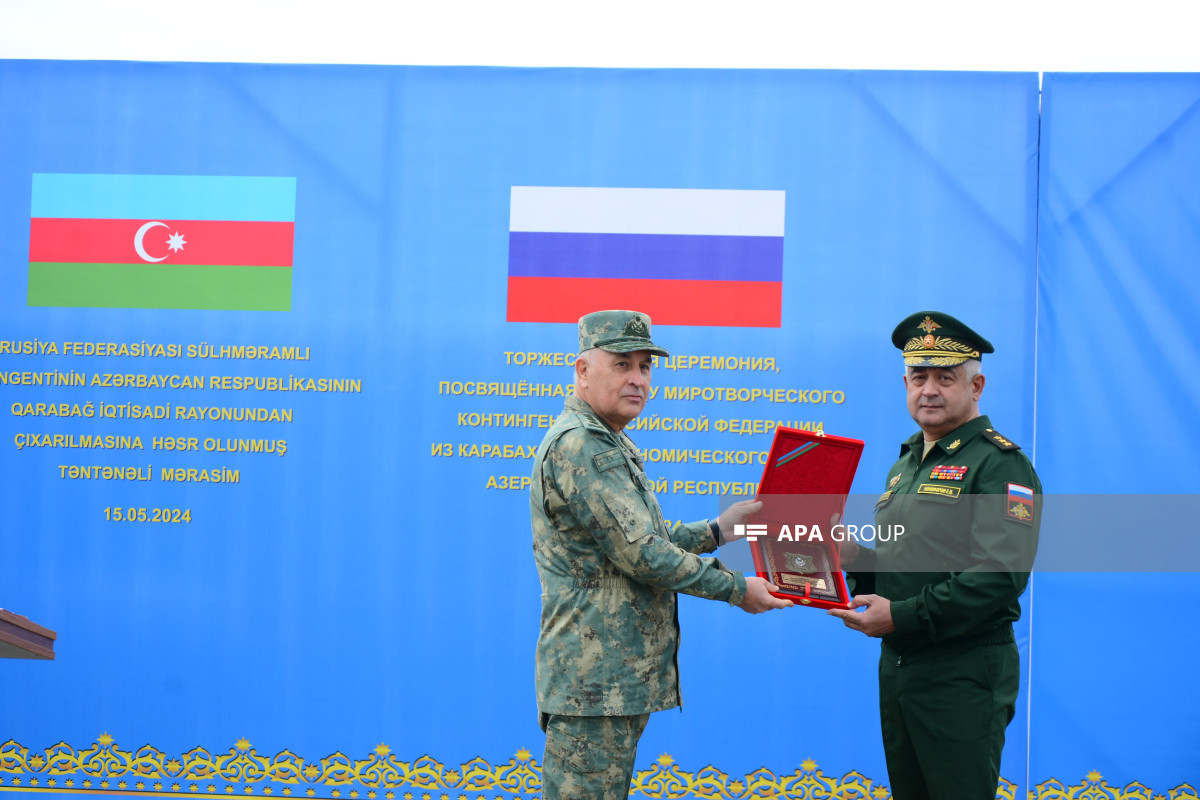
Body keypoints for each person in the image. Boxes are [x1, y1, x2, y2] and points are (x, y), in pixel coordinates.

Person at [531, 309, 791, 800]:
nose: (638, 379)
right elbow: (645, 556)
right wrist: (737, 588)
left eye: (645, 367)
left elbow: (645, 538)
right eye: (622, 364)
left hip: (609, 679)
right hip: (595, 683)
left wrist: (718, 529)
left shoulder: (608, 440)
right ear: (583, 371)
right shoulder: (583, 445)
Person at [829, 311, 1041, 800]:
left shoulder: (999, 464)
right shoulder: (905, 465)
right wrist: (852, 558)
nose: (929, 389)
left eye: (946, 378)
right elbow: (904, 568)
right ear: (904, 382)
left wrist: (900, 616)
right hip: (902, 667)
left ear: (976, 385)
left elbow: (999, 576)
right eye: (919, 377)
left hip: (962, 670)